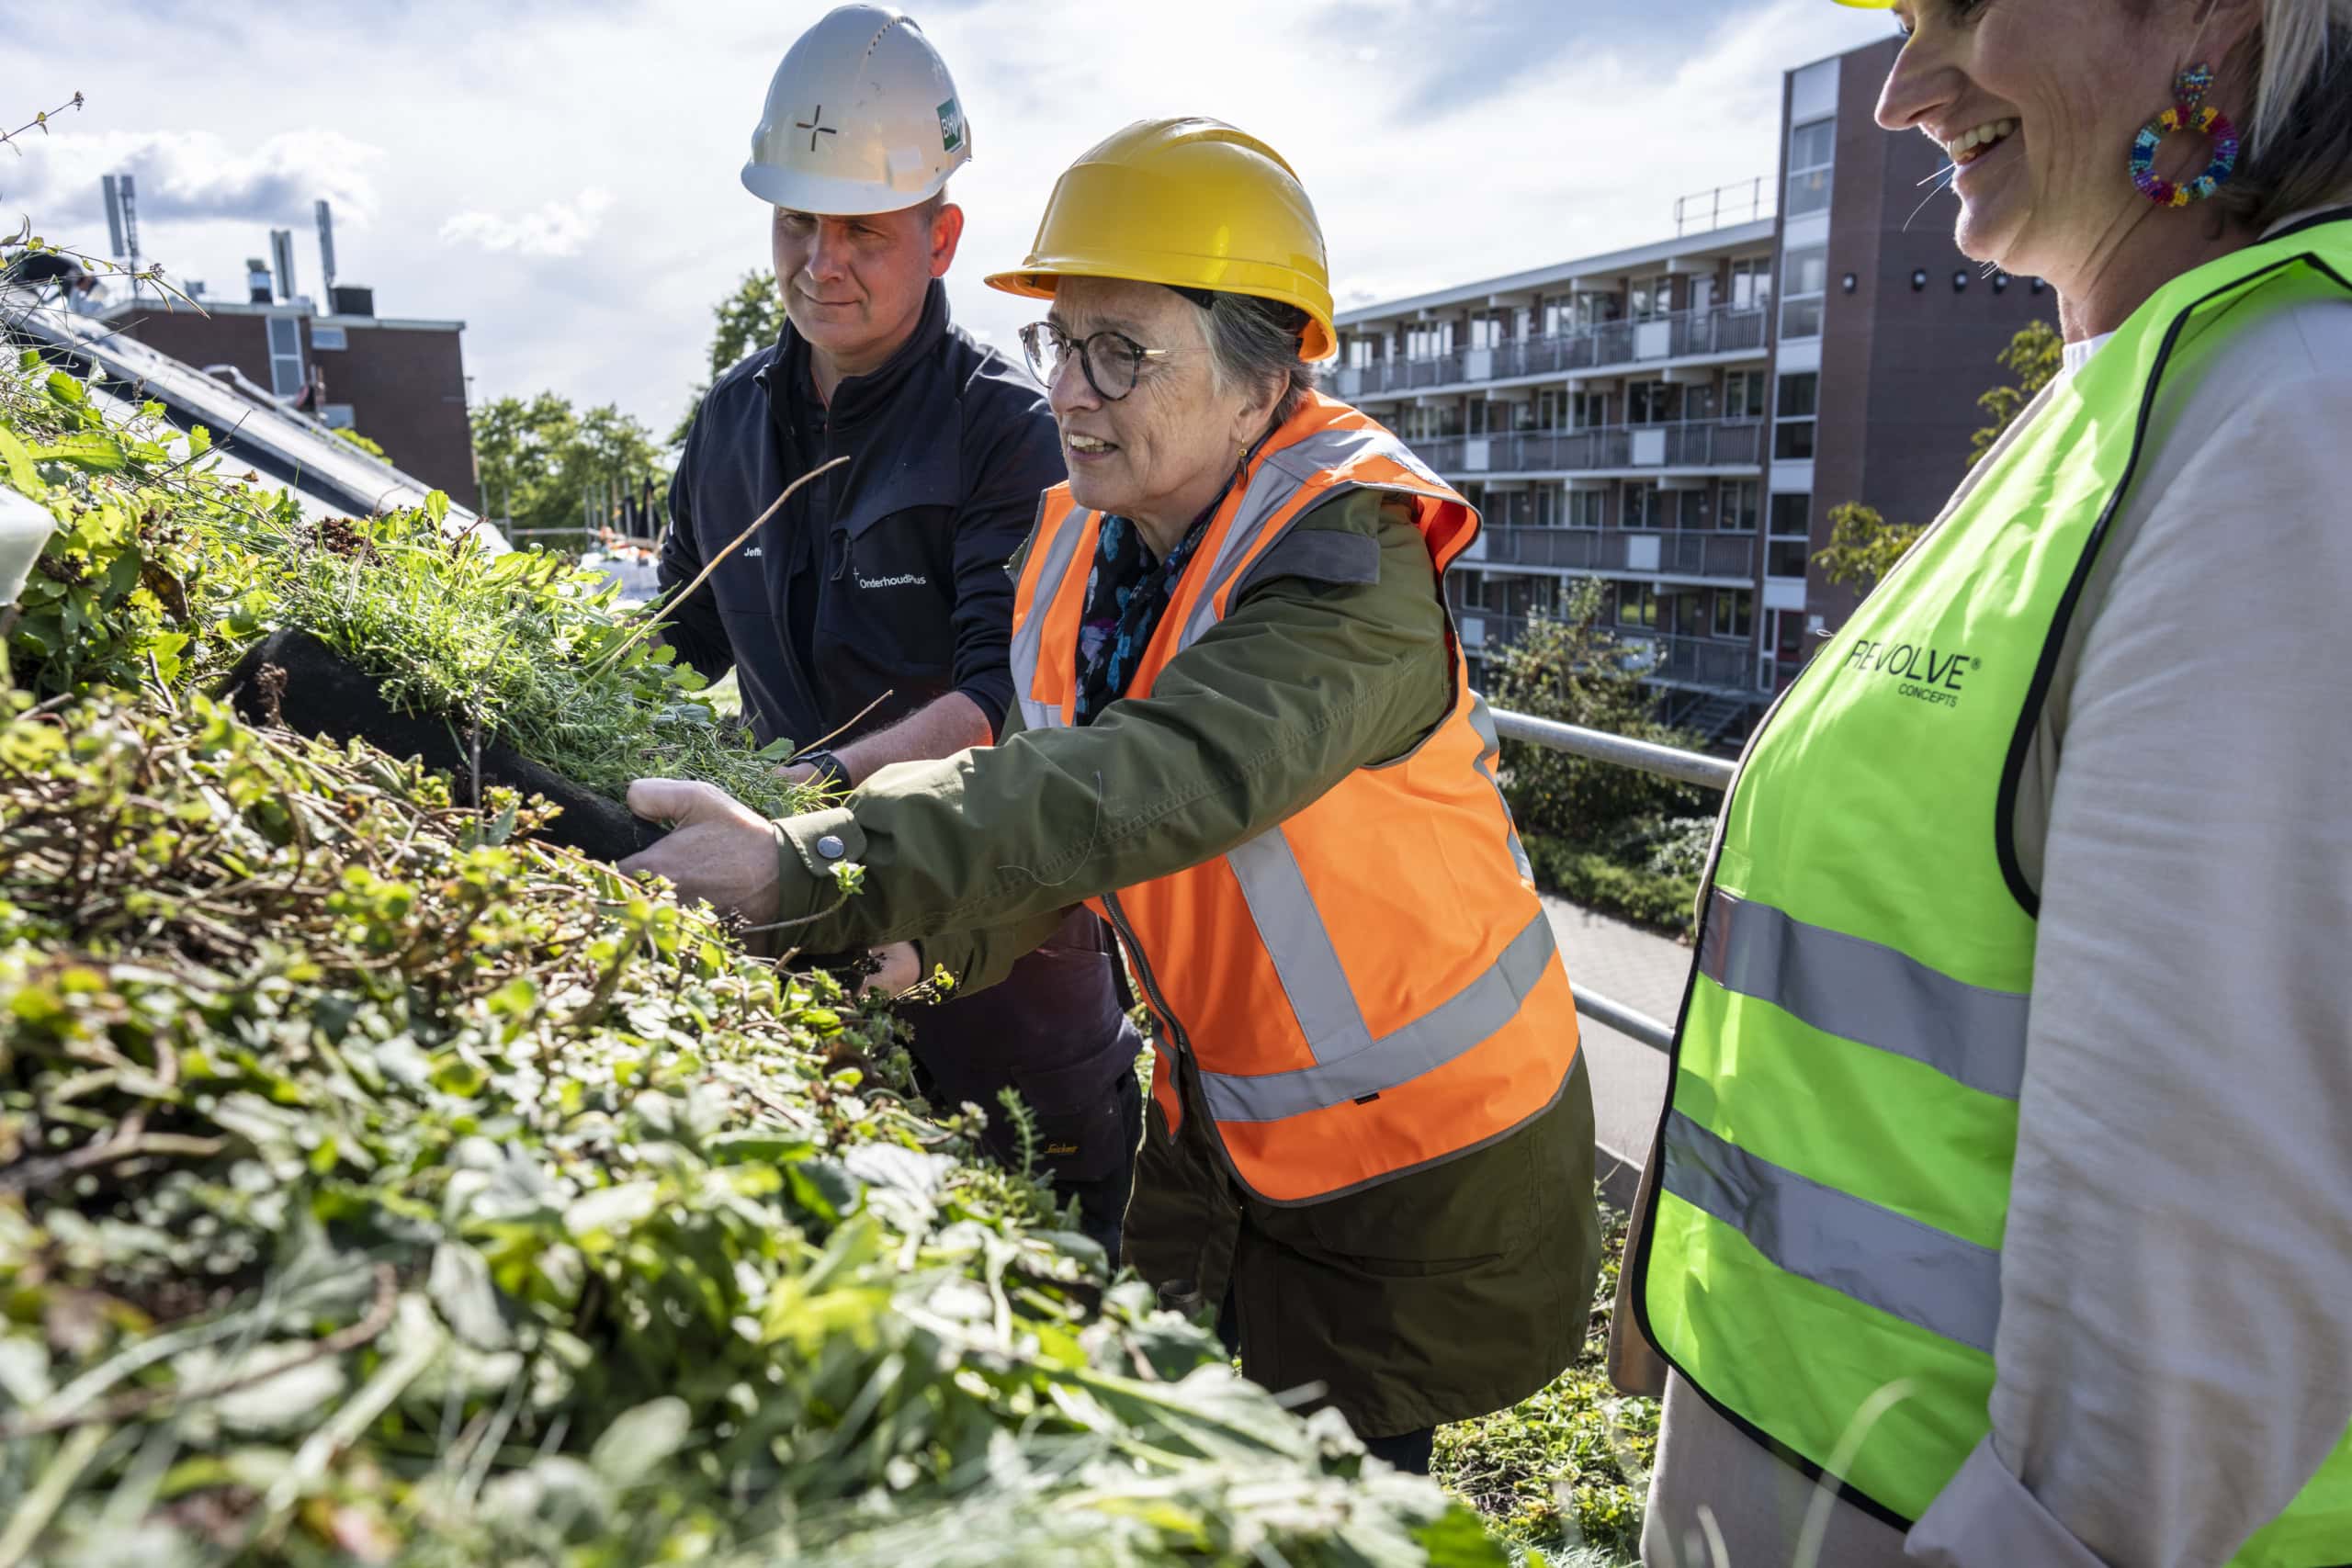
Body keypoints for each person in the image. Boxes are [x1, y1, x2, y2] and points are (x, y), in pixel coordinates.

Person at [623, 117, 1602, 1474]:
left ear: (1266, 376)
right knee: (1206, 1470)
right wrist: (942, 936)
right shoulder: (1096, 538)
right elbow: (1064, 811)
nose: (1071, 393)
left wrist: (818, 869)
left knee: (1347, 1497)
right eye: (1060, 344)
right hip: (1228, 1127)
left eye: (1121, 352)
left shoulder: (1347, 564)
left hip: (1422, 1159)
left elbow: (1156, 780)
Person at [1608, 1, 2352, 1563]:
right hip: (1819, 1471)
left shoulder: (2294, 428)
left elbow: (2199, 1283)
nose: (1901, 93)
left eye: (1963, 6)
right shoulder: (2129, 392)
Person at [643, 4, 1141, 1256]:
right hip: (800, 920)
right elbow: (669, 646)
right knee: (847, 1247)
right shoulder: (726, 425)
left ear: (941, 236)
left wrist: (805, 793)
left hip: (993, 942)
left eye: (861, 229)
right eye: (797, 221)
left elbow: (1003, 693)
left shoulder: (1011, 432)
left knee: (1044, 1258)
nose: (823, 259)